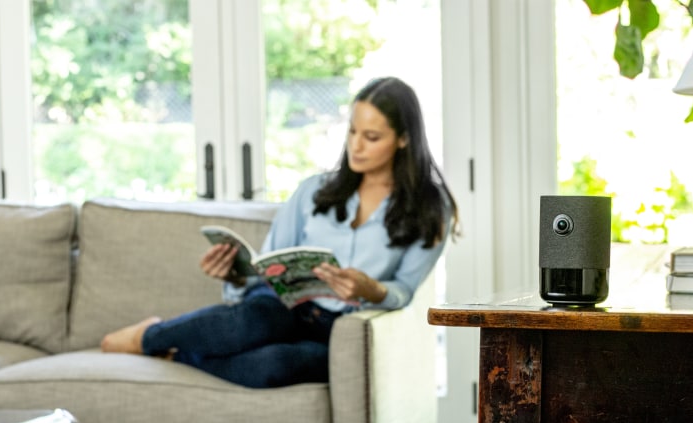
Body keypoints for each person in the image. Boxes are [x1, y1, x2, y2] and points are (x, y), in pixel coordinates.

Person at [101, 76, 459, 388]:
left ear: (403, 139)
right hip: (281, 305)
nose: (356, 145)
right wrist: (236, 274)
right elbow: (269, 265)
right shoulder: (314, 191)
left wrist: (373, 289)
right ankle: (148, 335)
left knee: (276, 366)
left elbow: (406, 290)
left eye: (372, 136)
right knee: (250, 323)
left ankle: (178, 355)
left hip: (337, 328)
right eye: (352, 131)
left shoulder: (430, 209)